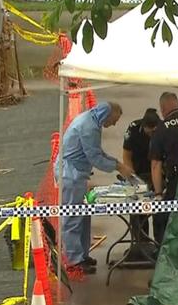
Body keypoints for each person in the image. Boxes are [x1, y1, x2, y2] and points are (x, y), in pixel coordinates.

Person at [56, 102, 133, 274]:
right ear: (107, 114)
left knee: (83, 216)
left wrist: (117, 163)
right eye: (114, 120)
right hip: (71, 175)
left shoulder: (90, 121)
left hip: (77, 174)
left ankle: (82, 255)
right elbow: (95, 157)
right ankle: (74, 260)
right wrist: (119, 167)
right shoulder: (89, 127)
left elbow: (97, 152)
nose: (113, 124)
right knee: (73, 217)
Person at [150, 92, 178, 244]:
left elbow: (156, 164)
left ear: (162, 109)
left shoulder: (161, 129)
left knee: (164, 216)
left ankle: (163, 251)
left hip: (177, 180)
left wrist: (158, 193)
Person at [123, 108, 162, 243]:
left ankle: (159, 243)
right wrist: (132, 179)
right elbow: (126, 156)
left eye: (154, 131)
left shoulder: (163, 129)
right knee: (138, 211)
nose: (152, 134)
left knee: (159, 211)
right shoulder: (133, 129)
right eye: (149, 131)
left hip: (157, 172)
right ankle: (140, 243)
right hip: (139, 172)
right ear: (143, 127)